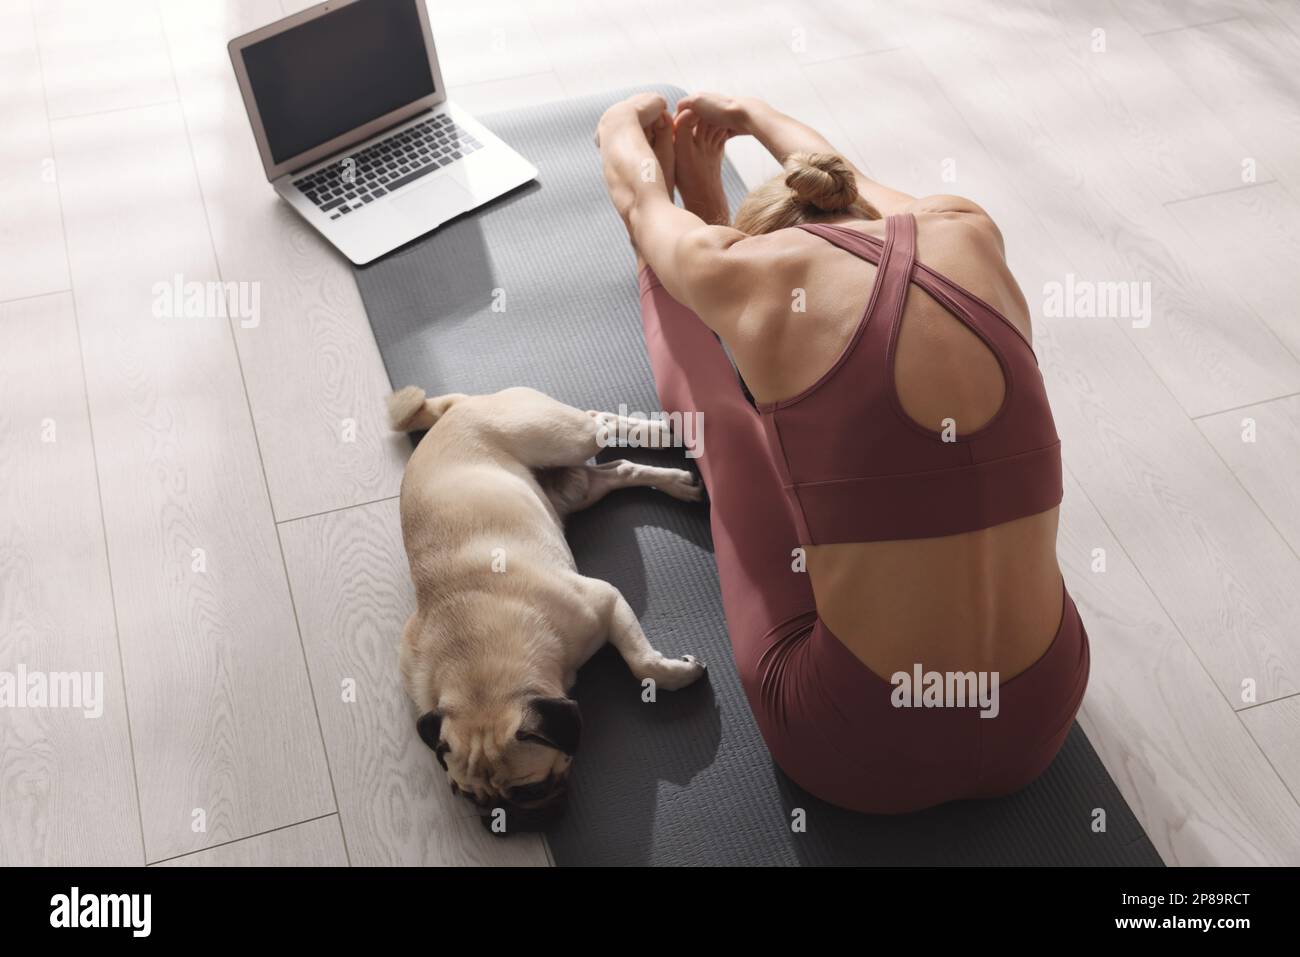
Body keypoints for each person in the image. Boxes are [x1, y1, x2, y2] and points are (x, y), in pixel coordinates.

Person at [595, 91, 1088, 813]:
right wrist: (752, 114)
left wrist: (620, 122)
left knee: (730, 434)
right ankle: (711, 204)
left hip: (862, 748)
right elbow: (845, 175)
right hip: (1044, 710)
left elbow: (638, 199)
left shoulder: (745, 275)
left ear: (759, 243)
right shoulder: (966, 229)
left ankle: (698, 248)